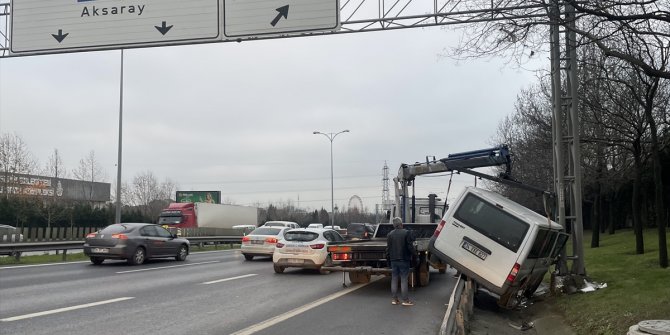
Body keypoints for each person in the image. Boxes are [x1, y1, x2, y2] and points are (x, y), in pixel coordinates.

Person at [386, 217, 416, 306]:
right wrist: (415, 255)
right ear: (401, 224)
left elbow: (388, 249)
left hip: (393, 260)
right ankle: (405, 300)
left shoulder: (390, 234)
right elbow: (410, 246)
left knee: (394, 278)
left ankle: (394, 299)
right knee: (403, 279)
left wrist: (388, 259)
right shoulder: (406, 233)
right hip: (404, 259)